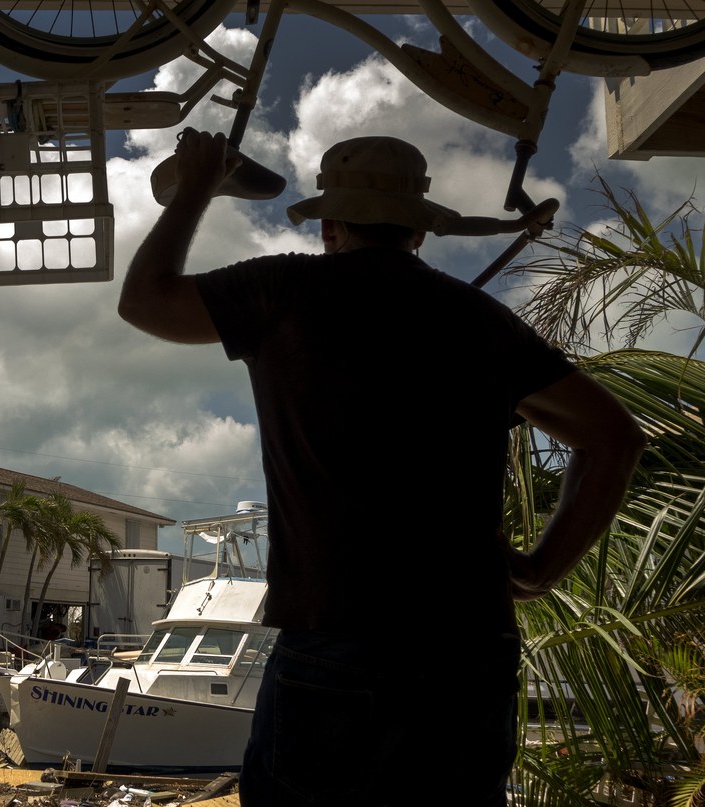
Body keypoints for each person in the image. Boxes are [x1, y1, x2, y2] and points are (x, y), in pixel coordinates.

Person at [117, 130, 646, 806]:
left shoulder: (284, 290)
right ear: (419, 231)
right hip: (469, 654)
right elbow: (614, 440)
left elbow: (145, 300)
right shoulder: (482, 321)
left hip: (337, 643)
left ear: (330, 225)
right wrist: (541, 569)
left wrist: (196, 184)